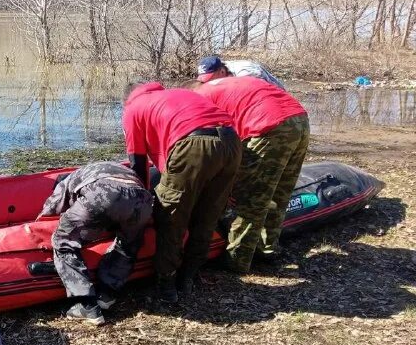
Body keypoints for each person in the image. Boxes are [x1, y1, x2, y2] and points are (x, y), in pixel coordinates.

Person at [123, 82, 242, 303]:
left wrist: (142, 200)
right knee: (209, 214)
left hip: (195, 143)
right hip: (231, 141)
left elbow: (138, 163)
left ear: (127, 100)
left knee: (170, 214)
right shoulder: (178, 94)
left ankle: (166, 284)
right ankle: (188, 276)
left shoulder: (133, 108)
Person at [188, 76, 310, 272]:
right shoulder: (228, 83)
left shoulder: (199, 98)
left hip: (269, 127)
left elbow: (212, 144)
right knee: (279, 191)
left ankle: (238, 260)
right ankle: (267, 249)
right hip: (299, 119)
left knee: (251, 196)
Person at [38, 162, 154, 325]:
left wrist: (41, 216)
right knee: (129, 244)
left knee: (63, 240)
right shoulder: (109, 167)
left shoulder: (67, 181)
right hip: (141, 199)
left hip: (103, 192)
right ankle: (107, 294)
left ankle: (86, 304)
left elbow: (53, 206)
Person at [197, 55, 286, 90]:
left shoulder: (246, 73)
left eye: (210, 79)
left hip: (277, 99)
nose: (208, 83)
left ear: (222, 71)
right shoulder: (223, 70)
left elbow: (260, 93)